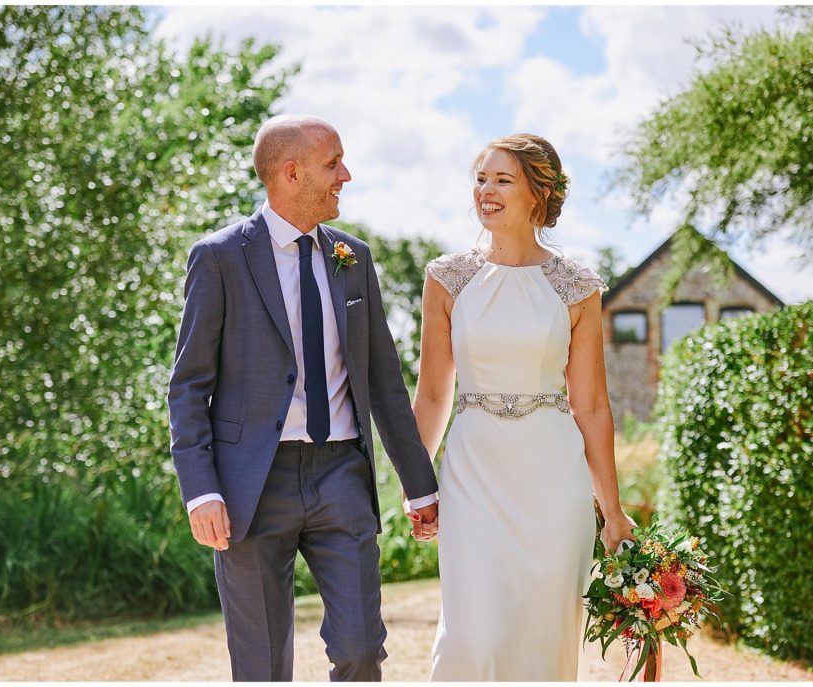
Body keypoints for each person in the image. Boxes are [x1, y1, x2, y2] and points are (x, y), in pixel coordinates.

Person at [167, 114, 439, 682]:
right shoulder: (219, 258)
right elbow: (189, 385)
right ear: (292, 173)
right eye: (333, 162)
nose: (347, 174)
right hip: (251, 485)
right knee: (263, 666)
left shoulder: (353, 258)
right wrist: (201, 491)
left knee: (362, 650)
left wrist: (420, 486)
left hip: (341, 473)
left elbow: (385, 381)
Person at [411, 133, 637, 680]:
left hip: (552, 481)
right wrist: (419, 484)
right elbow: (435, 392)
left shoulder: (578, 288)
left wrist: (612, 509)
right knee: (471, 638)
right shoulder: (447, 279)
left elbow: (590, 406)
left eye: (502, 180)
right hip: (473, 474)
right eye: (481, 178)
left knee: (543, 640)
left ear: (538, 194)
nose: (485, 191)